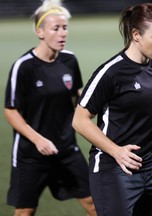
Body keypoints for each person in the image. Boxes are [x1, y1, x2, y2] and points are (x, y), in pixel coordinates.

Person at [72, 3, 152, 216]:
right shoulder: (111, 73)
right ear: (136, 34)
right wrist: (116, 151)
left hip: (149, 166)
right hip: (112, 168)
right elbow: (80, 120)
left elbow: (151, 117)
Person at [4, 0, 96, 215]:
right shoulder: (24, 66)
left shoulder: (69, 60)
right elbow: (10, 110)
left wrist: (94, 105)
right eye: (56, 28)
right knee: (25, 211)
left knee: (93, 201)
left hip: (66, 149)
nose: (62, 33)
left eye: (65, 28)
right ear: (40, 32)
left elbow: (76, 96)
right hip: (31, 153)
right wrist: (38, 139)